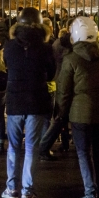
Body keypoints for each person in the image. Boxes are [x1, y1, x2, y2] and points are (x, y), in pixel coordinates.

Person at [57, 17, 99, 198]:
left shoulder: (71, 59)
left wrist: (62, 114)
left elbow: (64, 92)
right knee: (98, 151)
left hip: (79, 112)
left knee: (84, 153)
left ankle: (90, 194)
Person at [2, 8, 55, 198]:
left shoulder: (9, 46)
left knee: (14, 146)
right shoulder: (45, 48)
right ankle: (27, 192)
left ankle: (11, 188)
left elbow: (8, 65)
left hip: (15, 100)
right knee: (32, 147)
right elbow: (51, 74)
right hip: (37, 99)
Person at [39, 27, 73, 161]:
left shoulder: (56, 44)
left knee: (60, 117)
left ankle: (49, 146)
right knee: (60, 118)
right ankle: (45, 147)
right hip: (65, 83)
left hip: (58, 81)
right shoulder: (68, 50)